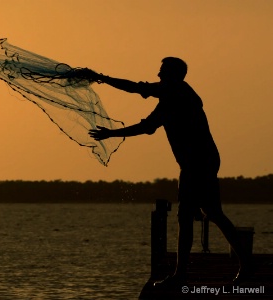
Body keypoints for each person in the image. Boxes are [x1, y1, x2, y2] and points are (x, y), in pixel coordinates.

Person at [86, 57, 252, 288]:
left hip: (199, 162)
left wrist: (101, 78)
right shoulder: (171, 99)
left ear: (174, 75)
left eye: (163, 71)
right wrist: (112, 134)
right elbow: (146, 127)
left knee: (195, 215)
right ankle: (235, 265)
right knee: (208, 213)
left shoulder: (177, 92)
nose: (158, 74)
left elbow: (136, 88)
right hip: (199, 162)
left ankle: (189, 273)